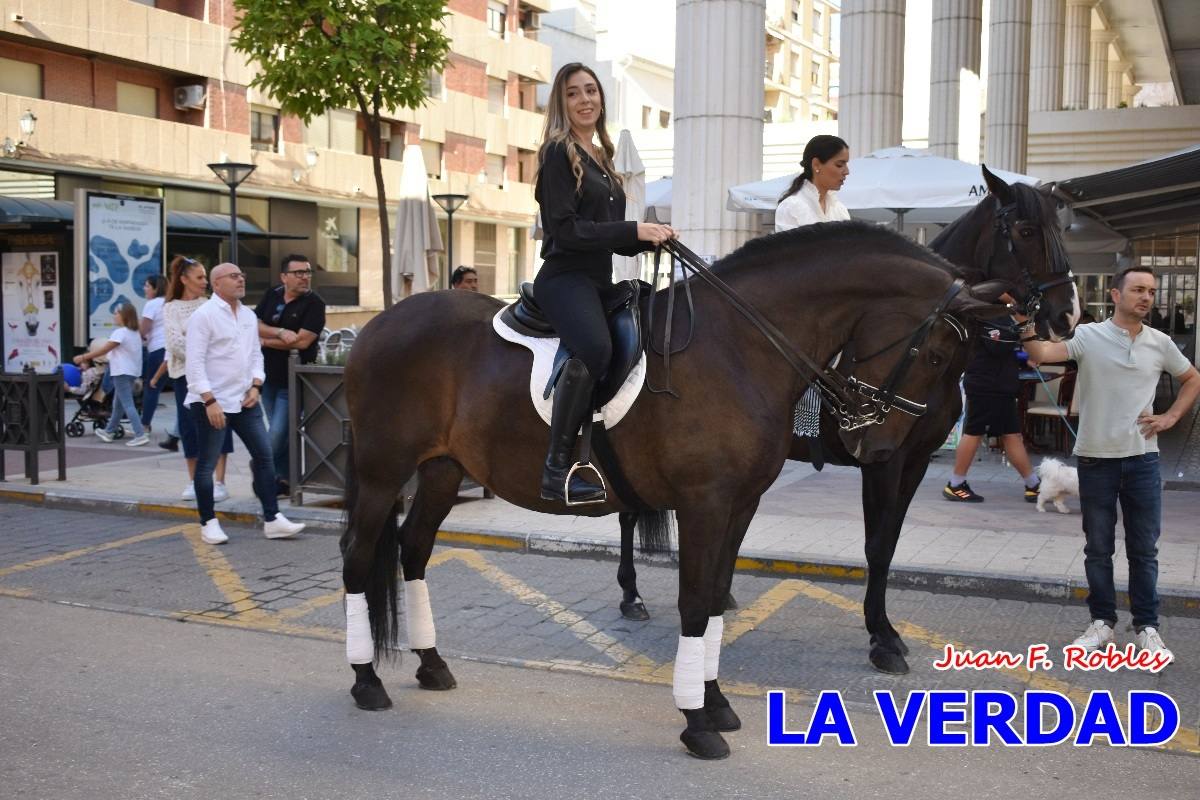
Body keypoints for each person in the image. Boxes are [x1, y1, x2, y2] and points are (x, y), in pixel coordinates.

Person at [1023, 265, 1200, 661]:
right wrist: (1022, 321)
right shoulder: (1088, 336)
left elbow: (1193, 379)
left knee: (1144, 550)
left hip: (1142, 461)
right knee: (1098, 549)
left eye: (1151, 291)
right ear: (1116, 295)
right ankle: (1102, 623)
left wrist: (1171, 418)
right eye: (1138, 289)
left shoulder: (1160, 342)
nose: (1146, 297)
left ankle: (1147, 627)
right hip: (1096, 461)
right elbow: (1040, 353)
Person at [534, 62, 674, 504]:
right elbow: (567, 230)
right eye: (573, 93)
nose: (585, 100)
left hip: (598, 279)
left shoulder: (603, 157)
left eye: (591, 91)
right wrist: (633, 231)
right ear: (562, 103)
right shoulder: (559, 152)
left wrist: (653, 238)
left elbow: (611, 237)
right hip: (563, 278)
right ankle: (556, 470)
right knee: (595, 348)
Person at [185, 262, 305, 545]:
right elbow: (194, 364)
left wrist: (256, 385)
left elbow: (255, 356)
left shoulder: (249, 316)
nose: (241, 279)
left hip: (245, 400)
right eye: (234, 276)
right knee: (207, 465)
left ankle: (273, 519)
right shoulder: (204, 316)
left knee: (265, 457)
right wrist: (209, 400)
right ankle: (208, 522)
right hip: (211, 402)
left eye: (242, 275)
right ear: (217, 284)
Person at [774, 135, 851, 445]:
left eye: (847, 165)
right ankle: (794, 415)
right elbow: (794, 267)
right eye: (840, 164)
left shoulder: (840, 209)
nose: (846, 172)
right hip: (801, 306)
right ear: (817, 165)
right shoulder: (791, 207)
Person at [944, 305, 1040, 503]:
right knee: (976, 432)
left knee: (1010, 434)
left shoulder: (995, 314)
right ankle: (955, 483)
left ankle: (1033, 484)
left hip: (997, 384)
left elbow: (1001, 349)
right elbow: (998, 345)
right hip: (987, 384)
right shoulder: (990, 314)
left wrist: (1023, 357)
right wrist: (1023, 325)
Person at [157, 256, 233, 502]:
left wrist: (200, 349)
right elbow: (174, 342)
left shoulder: (211, 304)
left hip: (215, 375)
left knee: (219, 423)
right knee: (189, 427)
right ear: (183, 279)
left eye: (205, 277)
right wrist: (201, 351)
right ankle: (193, 481)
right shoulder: (170, 308)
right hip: (184, 376)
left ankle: (219, 482)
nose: (204, 282)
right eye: (200, 277)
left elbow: (220, 338)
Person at [255, 254, 327, 497]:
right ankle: (284, 481)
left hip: (294, 381)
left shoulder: (314, 303)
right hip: (266, 378)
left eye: (307, 272)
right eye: (299, 273)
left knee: (276, 434)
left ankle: (260, 465)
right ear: (284, 276)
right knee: (282, 435)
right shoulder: (272, 294)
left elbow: (302, 342)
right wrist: (280, 331)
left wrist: (264, 340)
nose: (305, 277)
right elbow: (253, 324)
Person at [74, 303, 149, 447]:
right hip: (132, 372)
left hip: (121, 371)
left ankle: (140, 434)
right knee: (118, 404)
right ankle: (109, 431)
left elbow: (104, 349)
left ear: (124, 315)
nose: (114, 316)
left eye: (116, 313)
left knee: (127, 404)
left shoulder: (120, 332)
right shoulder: (134, 333)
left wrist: (84, 357)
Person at [139, 274, 168, 433]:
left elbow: (144, 330)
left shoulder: (151, 304)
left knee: (152, 387)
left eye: (147, 286)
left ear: (155, 288)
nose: (145, 289)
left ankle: (144, 425)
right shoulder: (170, 302)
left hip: (157, 349)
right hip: (172, 349)